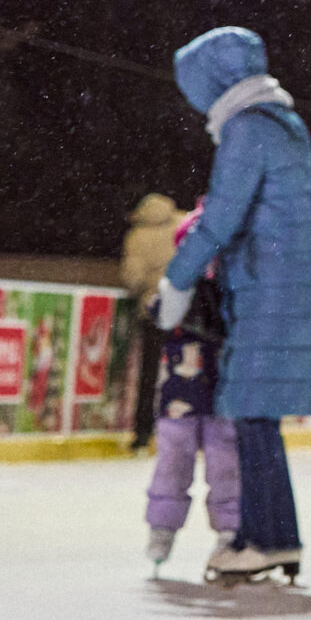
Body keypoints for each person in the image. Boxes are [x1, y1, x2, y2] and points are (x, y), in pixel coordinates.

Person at [154, 28, 311, 584]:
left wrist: (177, 280)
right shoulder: (285, 124)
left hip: (265, 288)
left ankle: (264, 539)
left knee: (252, 414)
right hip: (293, 283)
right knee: (259, 416)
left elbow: (220, 217)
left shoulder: (246, 128)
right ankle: (275, 534)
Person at [145, 205, 239, 572]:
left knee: (226, 466)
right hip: (178, 400)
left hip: (222, 399)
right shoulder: (176, 289)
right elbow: (159, 314)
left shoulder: (234, 294)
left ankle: (230, 529)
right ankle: (162, 527)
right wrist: (177, 291)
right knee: (172, 463)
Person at [120, 193, 187, 452]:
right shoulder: (183, 223)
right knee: (184, 372)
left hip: (155, 311)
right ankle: (184, 431)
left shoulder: (138, 237)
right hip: (185, 310)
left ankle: (143, 433)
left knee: (149, 374)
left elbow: (133, 279)